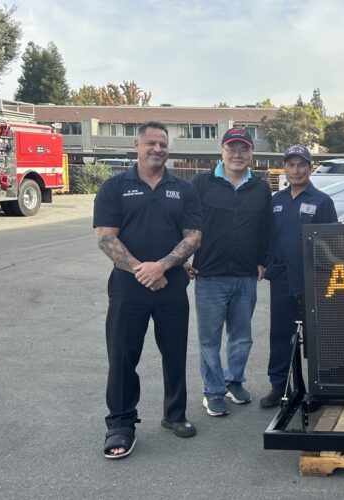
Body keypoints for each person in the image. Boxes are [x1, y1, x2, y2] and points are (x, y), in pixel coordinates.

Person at [93, 121, 202, 459]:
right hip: (129, 287)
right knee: (123, 356)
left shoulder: (183, 189)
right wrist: (145, 271)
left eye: (163, 144)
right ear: (136, 145)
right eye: (151, 143)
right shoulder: (114, 187)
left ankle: (175, 414)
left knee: (175, 353)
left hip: (172, 286)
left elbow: (193, 236)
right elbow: (105, 237)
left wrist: (163, 267)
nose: (157, 149)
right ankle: (120, 424)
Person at [184, 128, 271, 417]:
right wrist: (181, 258)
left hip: (246, 277)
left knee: (241, 337)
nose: (237, 154)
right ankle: (212, 392)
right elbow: (183, 221)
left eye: (243, 149)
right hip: (209, 275)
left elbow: (264, 228)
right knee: (210, 340)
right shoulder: (202, 183)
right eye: (232, 148)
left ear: (251, 154)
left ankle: (234, 381)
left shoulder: (260, 188)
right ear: (221, 151)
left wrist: (261, 260)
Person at [260, 144, 337, 408]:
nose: (296, 170)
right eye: (291, 165)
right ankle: (279, 386)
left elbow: (333, 243)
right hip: (282, 280)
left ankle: (320, 387)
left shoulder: (322, 202)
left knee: (316, 336)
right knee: (280, 334)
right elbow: (268, 238)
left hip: (312, 280)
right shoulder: (277, 201)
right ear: (284, 168)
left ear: (310, 168)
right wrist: (268, 265)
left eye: (301, 165)